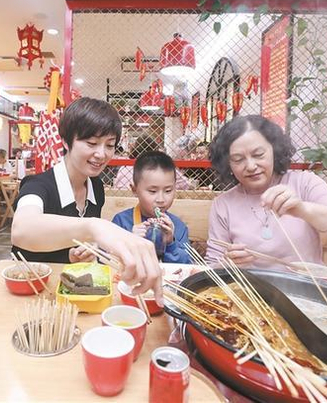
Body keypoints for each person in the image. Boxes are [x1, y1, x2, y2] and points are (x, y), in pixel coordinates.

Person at [11, 97, 162, 302]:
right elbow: (21, 230)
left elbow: (73, 249)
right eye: (91, 143)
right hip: (30, 294)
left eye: (110, 145)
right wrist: (94, 227)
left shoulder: (95, 187)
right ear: (66, 141)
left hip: (71, 294)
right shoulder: (36, 186)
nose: (101, 154)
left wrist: (80, 254)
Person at [206, 115, 327, 269]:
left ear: (274, 150)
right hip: (250, 290)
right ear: (227, 164)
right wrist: (227, 263)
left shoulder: (304, 183)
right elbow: (212, 266)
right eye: (238, 159)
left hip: (307, 287)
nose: (250, 166)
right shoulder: (223, 204)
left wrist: (303, 209)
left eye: (258, 154)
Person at [111, 151, 191, 264]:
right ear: (134, 190)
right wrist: (129, 242)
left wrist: (170, 243)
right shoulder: (121, 222)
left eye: (168, 191)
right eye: (153, 191)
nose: (161, 199)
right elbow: (107, 261)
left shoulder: (178, 226)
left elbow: (186, 265)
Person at [113, 134, 193, 190]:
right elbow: (187, 185)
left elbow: (116, 186)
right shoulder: (163, 167)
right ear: (155, 150)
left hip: (122, 204)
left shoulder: (125, 167)